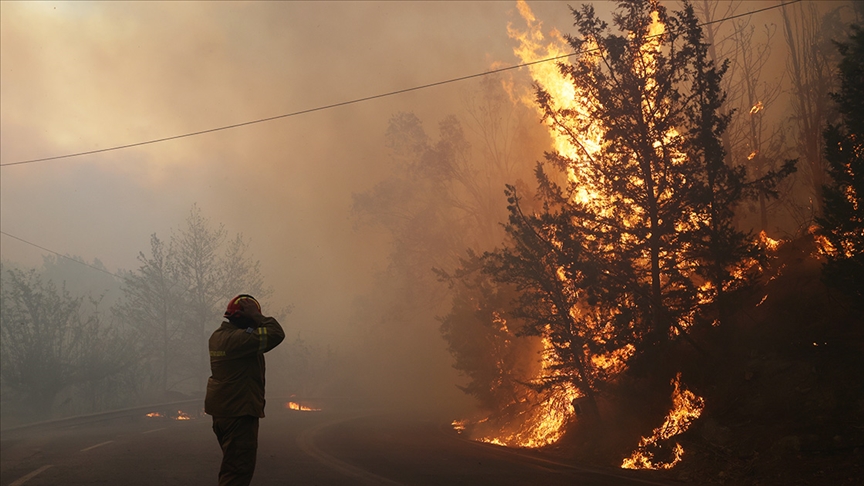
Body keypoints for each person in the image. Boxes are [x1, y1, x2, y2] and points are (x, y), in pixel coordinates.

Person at [205, 294, 285, 486]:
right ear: (243, 318)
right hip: (239, 412)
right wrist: (258, 316)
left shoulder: (217, 337)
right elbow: (276, 333)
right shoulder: (240, 340)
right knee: (237, 472)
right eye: (252, 319)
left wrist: (252, 318)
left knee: (232, 465)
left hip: (224, 411)